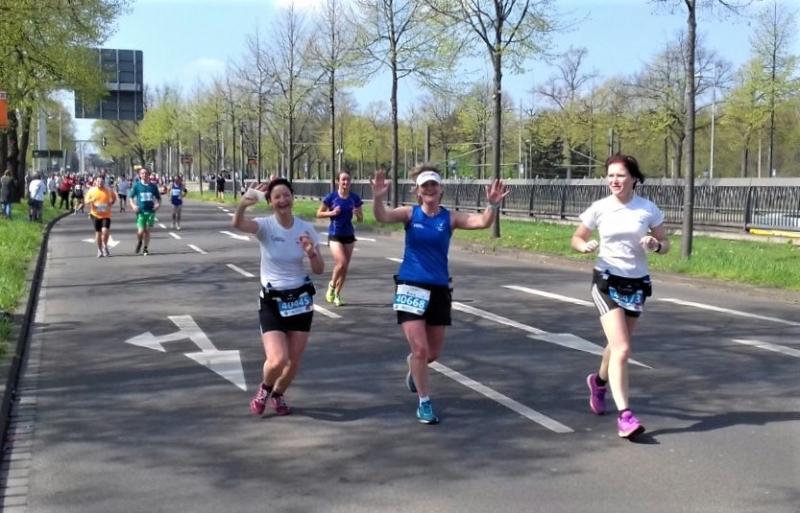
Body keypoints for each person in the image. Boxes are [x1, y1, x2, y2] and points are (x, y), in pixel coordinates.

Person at [371, 165, 509, 425]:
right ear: (418, 192)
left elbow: (482, 222)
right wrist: (378, 197)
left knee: (432, 353)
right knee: (421, 349)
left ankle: (415, 366)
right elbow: (382, 216)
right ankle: (424, 402)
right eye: (425, 186)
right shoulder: (410, 214)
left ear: (441, 189)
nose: (430, 189)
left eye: (433, 184)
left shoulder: (449, 218)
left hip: (439, 290)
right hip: (410, 287)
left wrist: (492, 205)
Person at [571, 153, 669, 439]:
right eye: (611, 175)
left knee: (616, 346)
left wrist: (655, 245)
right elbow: (577, 237)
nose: (615, 180)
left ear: (634, 179)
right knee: (623, 349)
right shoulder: (600, 208)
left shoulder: (647, 209)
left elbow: (666, 243)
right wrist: (583, 246)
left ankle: (599, 382)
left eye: (621, 175)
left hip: (636, 283)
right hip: (606, 280)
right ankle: (625, 416)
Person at [232, 178, 324, 417]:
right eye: (277, 197)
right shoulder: (266, 226)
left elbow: (319, 269)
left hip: (300, 301)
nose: (283, 200)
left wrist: (312, 253)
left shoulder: (306, 228)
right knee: (277, 360)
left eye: (286, 195)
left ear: (293, 197)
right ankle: (265, 390)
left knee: (293, 361)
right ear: (270, 202)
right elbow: (238, 224)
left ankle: (279, 394)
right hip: (272, 301)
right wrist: (243, 205)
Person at [316, 170, 363, 306]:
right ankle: (332, 285)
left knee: (345, 267)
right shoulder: (331, 197)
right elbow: (319, 213)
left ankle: (337, 294)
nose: (346, 182)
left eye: (348, 179)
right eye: (343, 179)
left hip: (349, 235)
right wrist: (332, 212)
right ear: (338, 181)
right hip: (335, 234)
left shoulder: (354, 198)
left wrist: (357, 214)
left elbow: (361, 219)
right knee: (341, 263)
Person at [128, 167, 161, 256]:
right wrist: (133, 206)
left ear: (149, 175)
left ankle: (145, 248)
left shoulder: (153, 186)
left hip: (151, 211)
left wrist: (158, 205)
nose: (144, 175)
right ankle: (139, 241)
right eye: (142, 173)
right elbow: (131, 197)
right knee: (140, 231)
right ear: (140, 175)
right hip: (140, 212)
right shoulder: (137, 186)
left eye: (146, 173)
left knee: (147, 231)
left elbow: (158, 198)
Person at [85, 175, 117, 257]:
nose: (100, 183)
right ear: (95, 182)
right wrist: (91, 201)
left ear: (104, 182)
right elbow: (86, 201)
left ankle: (105, 246)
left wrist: (111, 203)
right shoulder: (92, 191)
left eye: (102, 181)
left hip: (106, 214)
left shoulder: (108, 190)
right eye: (98, 181)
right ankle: (99, 250)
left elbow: (114, 198)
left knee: (105, 231)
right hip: (95, 214)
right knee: (98, 232)